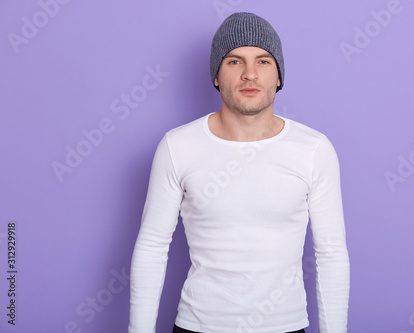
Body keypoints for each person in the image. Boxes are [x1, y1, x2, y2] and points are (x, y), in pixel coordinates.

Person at [128, 12, 350, 333]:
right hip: (198, 325)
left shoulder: (314, 149)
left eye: (263, 61)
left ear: (278, 77)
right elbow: (151, 246)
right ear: (216, 76)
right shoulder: (178, 146)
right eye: (234, 61)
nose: (249, 74)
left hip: (285, 326)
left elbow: (331, 254)